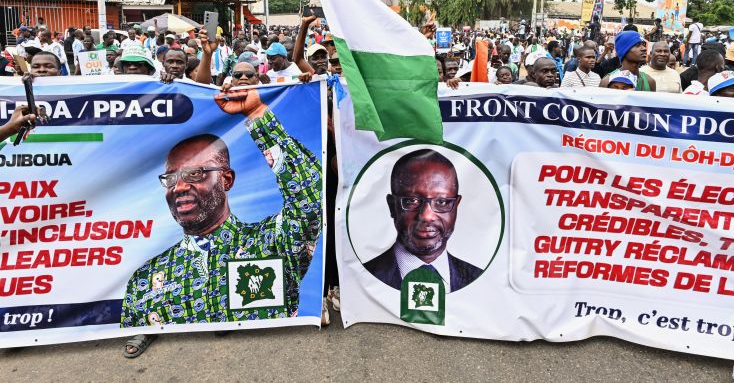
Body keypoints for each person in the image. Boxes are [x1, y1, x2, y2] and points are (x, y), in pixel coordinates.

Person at [120, 87, 322, 333]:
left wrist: (258, 113)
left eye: (194, 174)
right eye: (171, 178)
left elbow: (311, 196)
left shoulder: (272, 241)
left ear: (226, 180)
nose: (179, 187)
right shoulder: (146, 280)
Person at [363, 149, 482, 292]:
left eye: (442, 202)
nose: (427, 216)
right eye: (412, 200)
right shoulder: (360, 276)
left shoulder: (482, 282)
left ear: (456, 206)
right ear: (392, 206)